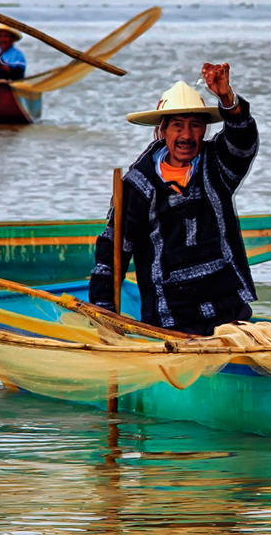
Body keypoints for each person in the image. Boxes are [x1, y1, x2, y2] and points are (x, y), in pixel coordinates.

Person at [89, 63, 258, 335]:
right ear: (162, 130)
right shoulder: (136, 186)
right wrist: (105, 314)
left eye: (195, 126)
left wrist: (227, 98)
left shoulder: (217, 166)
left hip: (229, 314)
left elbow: (243, 141)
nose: (186, 136)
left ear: (204, 130)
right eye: (177, 126)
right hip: (170, 321)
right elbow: (112, 253)